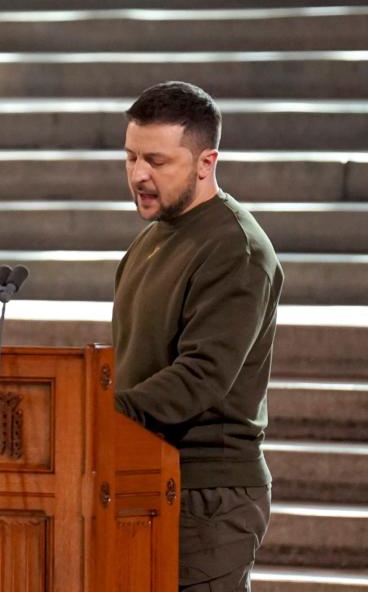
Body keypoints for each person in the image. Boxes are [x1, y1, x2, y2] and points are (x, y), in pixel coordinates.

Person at [112, 81, 284, 591]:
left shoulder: (235, 247)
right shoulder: (153, 236)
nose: (139, 174)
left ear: (207, 162)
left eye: (157, 162)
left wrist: (99, 415)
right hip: (149, 474)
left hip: (208, 492)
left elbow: (201, 377)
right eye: (131, 157)